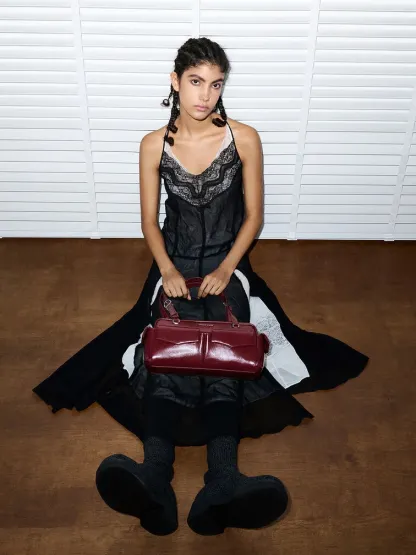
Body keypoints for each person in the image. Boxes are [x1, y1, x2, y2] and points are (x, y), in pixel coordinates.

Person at [33, 38, 369, 536]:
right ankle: (154, 475)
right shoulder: (153, 144)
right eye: (195, 82)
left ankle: (224, 481)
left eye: (215, 85)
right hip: (173, 262)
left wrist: (228, 269)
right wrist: (167, 271)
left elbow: (253, 218)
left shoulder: (244, 138)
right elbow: (149, 222)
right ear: (175, 82)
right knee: (169, 345)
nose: (205, 95)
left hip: (227, 264)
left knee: (223, 346)